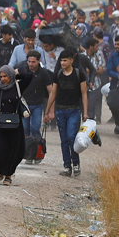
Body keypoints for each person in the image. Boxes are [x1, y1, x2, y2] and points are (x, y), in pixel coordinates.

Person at [0, 65, 33, 185]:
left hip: (14, 123)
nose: (3, 79)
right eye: (1, 76)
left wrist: (15, 76)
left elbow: (29, 76)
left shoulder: (18, 86)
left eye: (5, 76)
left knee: (12, 148)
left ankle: (8, 174)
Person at [45, 48, 88, 177]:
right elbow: (53, 93)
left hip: (74, 110)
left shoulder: (79, 74)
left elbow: (84, 93)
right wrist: (47, 112)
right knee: (64, 140)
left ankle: (76, 163)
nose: (63, 63)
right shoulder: (57, 74)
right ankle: (67, 166)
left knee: (71, 137)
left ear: (71, 60)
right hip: (60, 110)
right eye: (61, 60)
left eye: (65, 60)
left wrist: (85, 112)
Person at [15, 51, 53, 145]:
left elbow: (51, 91)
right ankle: (26, 152)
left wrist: (50, 111)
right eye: (29, 61)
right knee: (25, 129)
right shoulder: (23, 68)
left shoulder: (43, 72)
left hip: (37, 104)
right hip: (24, 104)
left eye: (33, 62)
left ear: (38, 61)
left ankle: (37, 151)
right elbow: (13, 76)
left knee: (35, 128)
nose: (30, 64)